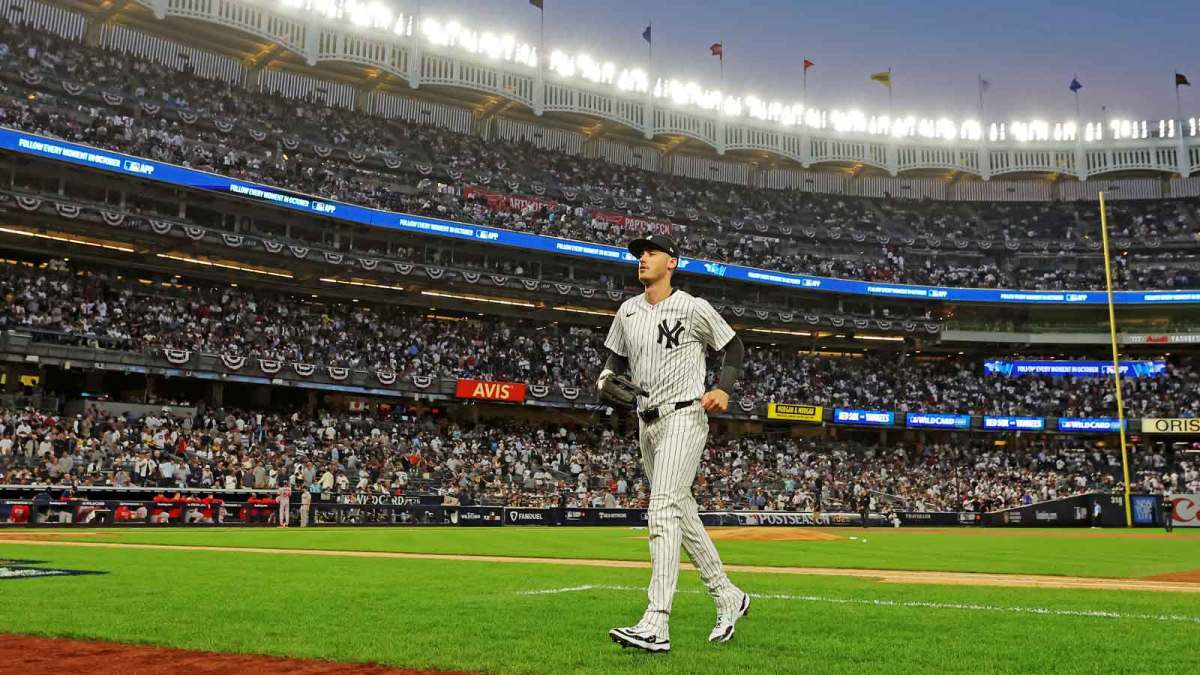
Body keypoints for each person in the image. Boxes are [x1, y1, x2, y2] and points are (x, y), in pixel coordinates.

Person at [600, 234, 749, 653]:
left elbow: (733, 345)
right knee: (682, 514)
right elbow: (615, 357)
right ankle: (727, 596)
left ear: (673, 263)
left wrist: (723, 388)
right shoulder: (628, 310)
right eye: (638, 254)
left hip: (685, 413)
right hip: (646, 423)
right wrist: (602, 380)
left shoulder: (692, 306)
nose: (642, 258)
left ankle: (656, 621)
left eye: (651, 253)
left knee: (662, 508)